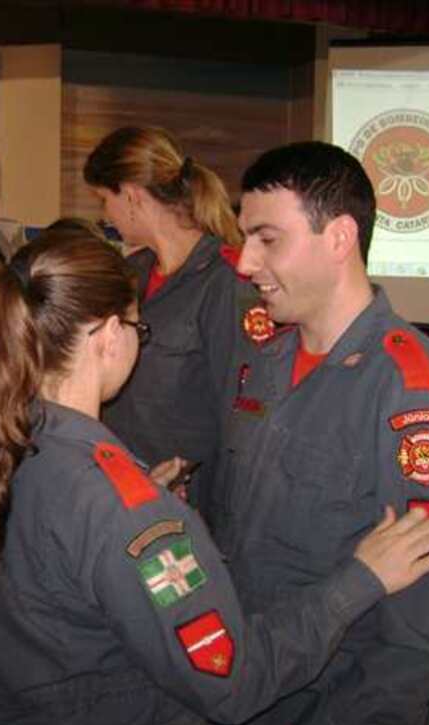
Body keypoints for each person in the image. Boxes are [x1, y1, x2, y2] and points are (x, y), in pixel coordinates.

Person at [0, 229, 429, 725]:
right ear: (105, 335)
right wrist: (362, 578)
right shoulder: (129, 513)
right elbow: (231, 680)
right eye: (136, 327)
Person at [207, 141, 429, 725]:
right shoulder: (265, 360)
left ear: (339, 237)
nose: (244, 262)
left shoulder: (415, 391)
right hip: (246, 697)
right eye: (244, 239)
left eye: (267, 239)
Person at [83, 125, 258, 518]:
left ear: (130, 196)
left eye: (103, 200)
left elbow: (243, 414)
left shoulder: (226, 281)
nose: (103, 215)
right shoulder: (129, 273)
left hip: (189, 506)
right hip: (119, 493)